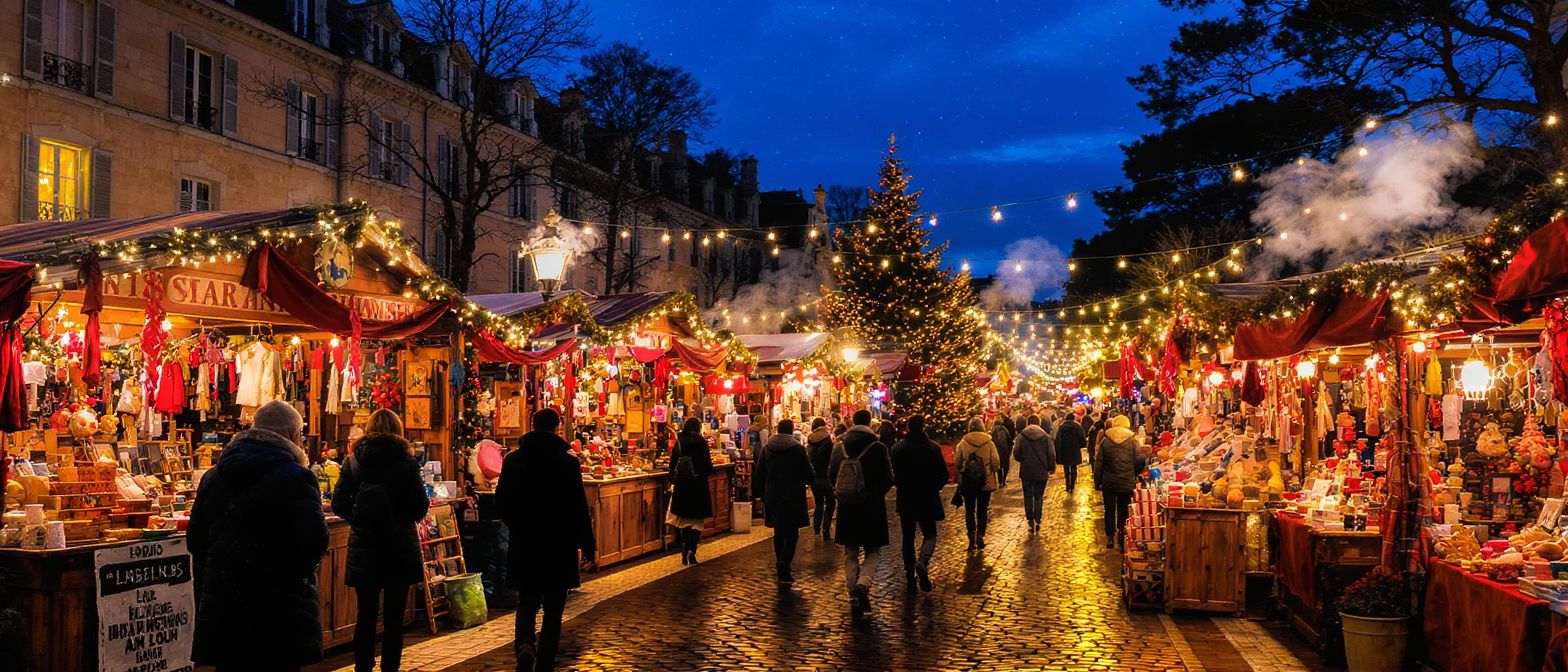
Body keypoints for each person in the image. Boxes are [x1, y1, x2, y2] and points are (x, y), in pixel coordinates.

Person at [189, 401, 329, 672]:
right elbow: (314, 542)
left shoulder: (213, 476)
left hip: (226, 607)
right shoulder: (298, 477)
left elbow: (196, 540)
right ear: (293, 435)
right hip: (279, 608)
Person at [497, 409, 596, 672]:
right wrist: (587, 544)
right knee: (554, 609)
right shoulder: (567, 463)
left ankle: (525, 645)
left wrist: (518, 526)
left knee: (527, 602)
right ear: (558, 427)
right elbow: (578, 507)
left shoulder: (514, 460)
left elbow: (501, 503)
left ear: (532, 425)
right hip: (559, 544)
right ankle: (546, 662)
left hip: (525, 542)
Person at [332, 409, 430, 672]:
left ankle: (362, 667)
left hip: (365, 547)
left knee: (365, 615)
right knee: (394, 618)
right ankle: (390, 668)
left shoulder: (353, 462)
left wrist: (362, 518)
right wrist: (399, 518)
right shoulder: (407, 463)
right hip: (398, 546)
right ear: (398, 430)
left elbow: (338, 502)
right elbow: (420, 506)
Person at [829, 409, 894, 620]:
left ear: (852, 423)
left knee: (850, 552)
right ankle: (863, 582)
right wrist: (875, 494)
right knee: (873, 550)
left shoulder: (840, 446)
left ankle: (853, 597)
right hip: (872, 505)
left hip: (848, 505)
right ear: (869, 424)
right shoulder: (878, 447)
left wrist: (844, 493)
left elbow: (832, 474)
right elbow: (887, 478)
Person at [889, 414, 948, 591]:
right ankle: (923, 561)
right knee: (930, 534)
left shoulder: (898, 449)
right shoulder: (933, 448)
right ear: (923, 427)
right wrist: (935, 486)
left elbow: (894, 475)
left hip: (906, 497)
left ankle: (909, 571)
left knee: (908, 536)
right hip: (927, 496)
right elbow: (944, 474)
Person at [753, 419, 815, 584]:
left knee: (779, 531)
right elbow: (808, 475)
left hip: (773, 494)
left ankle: (780, 562)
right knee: (792, 532)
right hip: (793, 495)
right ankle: (784, 562)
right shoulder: (798, 450)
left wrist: (759, 493)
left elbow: (759, 474)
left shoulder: (767, 449)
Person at [1094, 415, 1146, 549]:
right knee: (1124, 509)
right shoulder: (1132, 442)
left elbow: (1099, 464)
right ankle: (1123, 534)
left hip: (1109, 482)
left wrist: (1097, 482)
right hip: (1126, 482)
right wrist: (1133, 474)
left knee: (1109, 510)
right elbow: (1140, 461)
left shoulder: (1105, 442)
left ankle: (1110, 537)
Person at [668, 418, 715, 564]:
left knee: (684, 520)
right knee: (697, 521)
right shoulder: (702, 443)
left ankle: (684, 546)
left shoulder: (680, 442)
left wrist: (674, 479)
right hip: (698, 485)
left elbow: (673, 463)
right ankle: (692, 550)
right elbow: (707, 466)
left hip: (682, 485)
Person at [954, 418, 1001, 551]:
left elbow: (957, 461)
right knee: (982, 510)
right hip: (985, 482)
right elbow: (996, 462)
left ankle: (971, 537)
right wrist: (988, 469)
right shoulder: (989, 443)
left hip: (968, 482)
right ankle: (981, 535)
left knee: (969, 510)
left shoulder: (963, 443)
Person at [1012, 415, 1055, 535]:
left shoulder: (1021, 436)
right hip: (1041, 471)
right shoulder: (1045, 437)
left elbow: (1016, 453)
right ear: (1039, 423)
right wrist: (1051, 468)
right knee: (1038, 496)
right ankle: (1038, 518)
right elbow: (1051, 454)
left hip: (1026, 470)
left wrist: (1024, 460)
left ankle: (1030, 519)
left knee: (1028, 496)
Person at [806, 418, 836, 538]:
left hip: (815, 477)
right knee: (830, 503)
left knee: (818, 503)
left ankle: (816, 527)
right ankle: (826, 528)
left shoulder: (810, 440)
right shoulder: (828, 440)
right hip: (827, 477)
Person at [1054, 410, 1088, 492]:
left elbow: (1058, 440)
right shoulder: (1077, 426)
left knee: (1066, 468)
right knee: (1074, 468)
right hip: (1074, 450)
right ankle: (1072, 484)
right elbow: (1082, 438)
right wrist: (1081, 446)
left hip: (1064, 451)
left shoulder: (1061, 427)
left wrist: (1058, 451)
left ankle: (1067, 484)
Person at [992, 416, 1014, 488]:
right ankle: (1003, 481)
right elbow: (1009, 439)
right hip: (1005, 450)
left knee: (999, 466)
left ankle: (1000, 480)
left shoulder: (993, 430)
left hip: (996, 450)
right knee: (1005, 466)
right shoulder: (1004, 429)